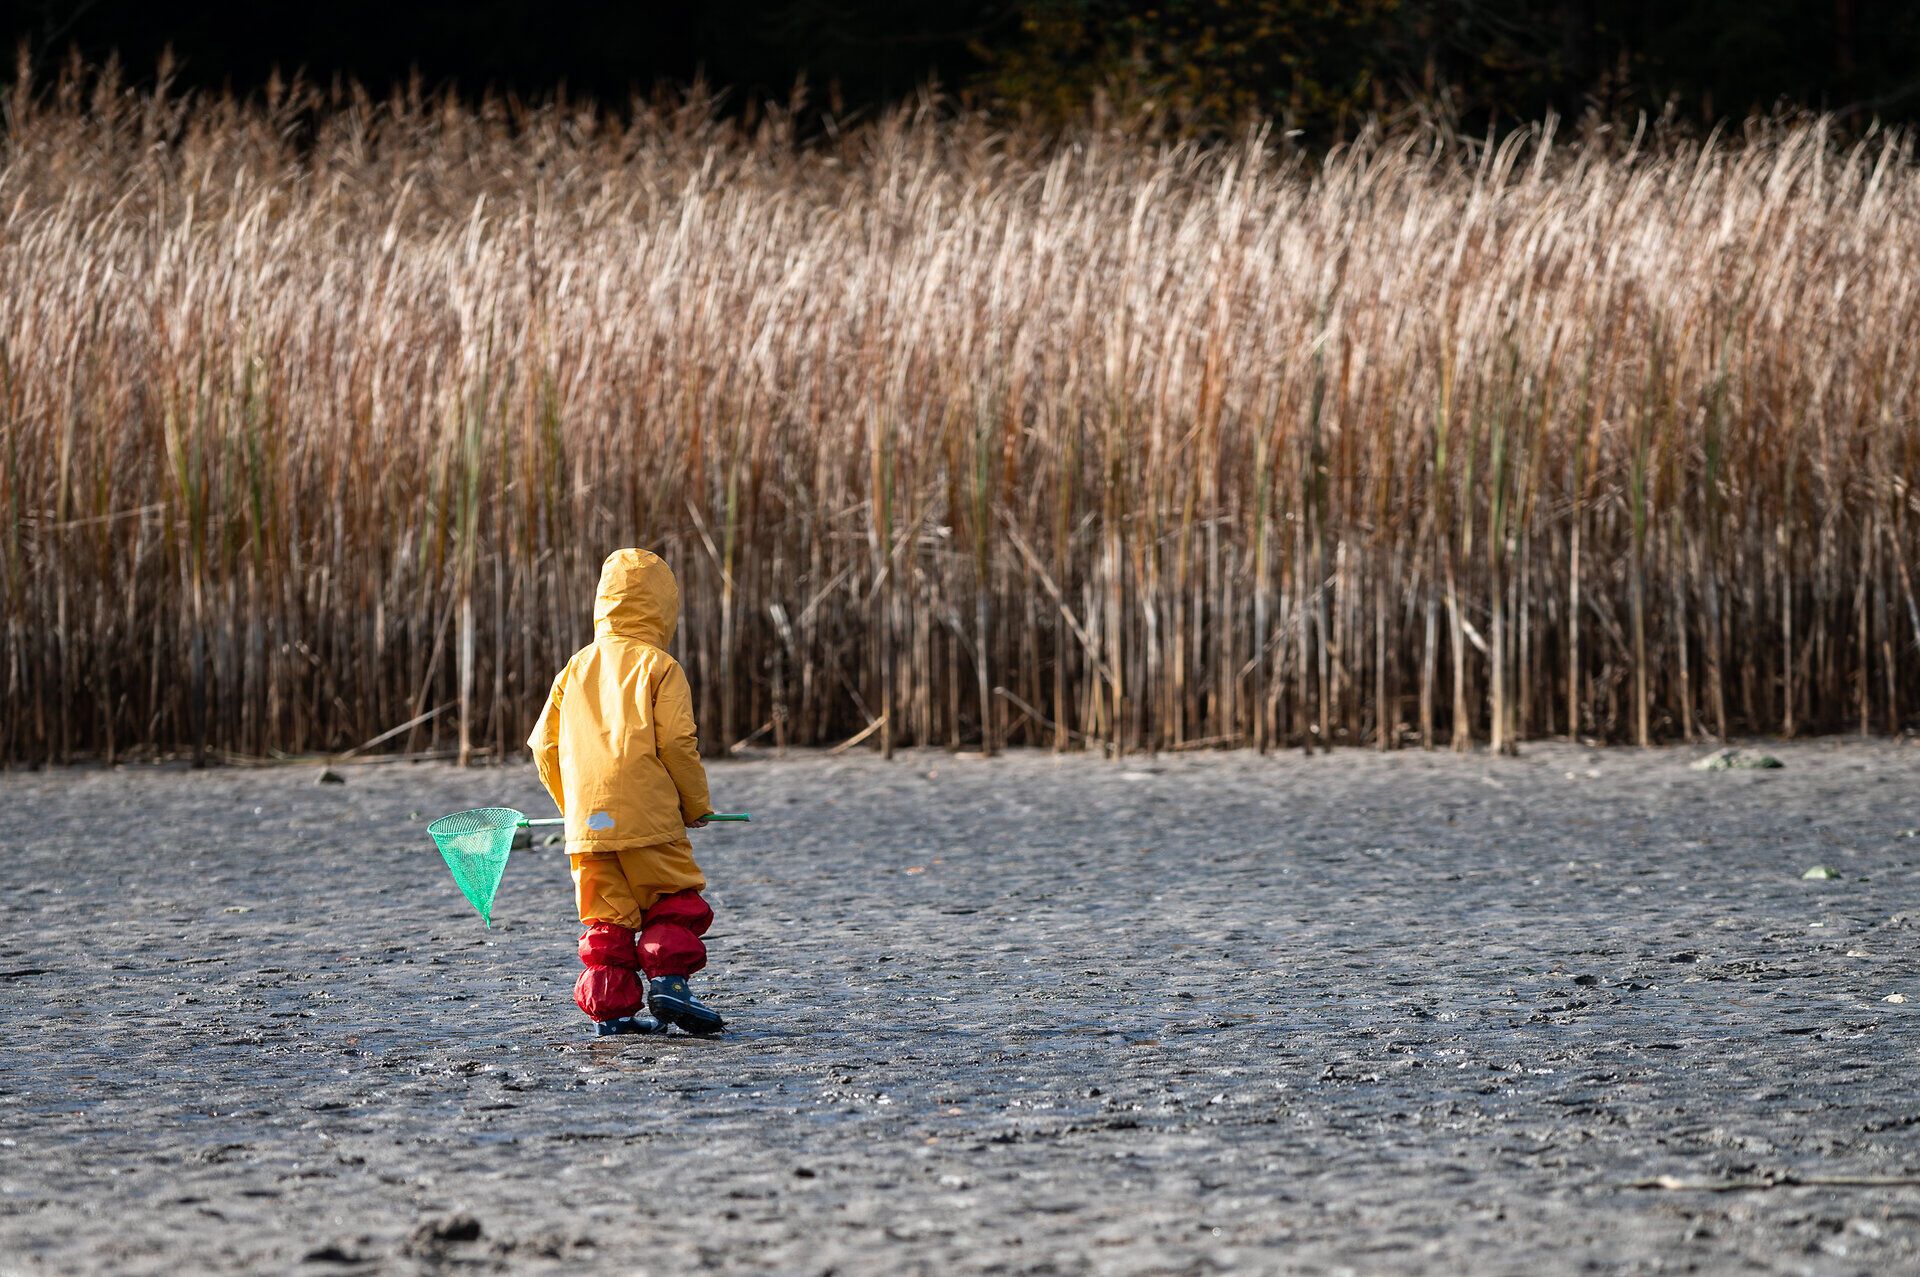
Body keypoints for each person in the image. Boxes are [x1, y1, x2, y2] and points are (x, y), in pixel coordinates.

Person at [528, 548, 725, 1037]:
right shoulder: (659, 665)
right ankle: (669, 985)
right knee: (671, 898)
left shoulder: (574, 668)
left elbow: (542, 746)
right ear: (662, 608)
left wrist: (574, 810)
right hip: (650, 817)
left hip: (586, 828)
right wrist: (695, 805)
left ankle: (611, 1013)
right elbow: (678, 743)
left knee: (606, 918)